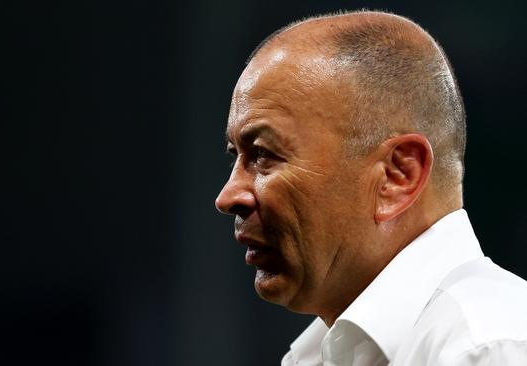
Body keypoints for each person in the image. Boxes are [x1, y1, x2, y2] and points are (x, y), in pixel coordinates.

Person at [215, 10, 527, 366]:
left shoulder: (491, 347)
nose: (228, 196)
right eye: (235, 157)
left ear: (397, 176)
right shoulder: (318, 355)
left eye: (263, 155)